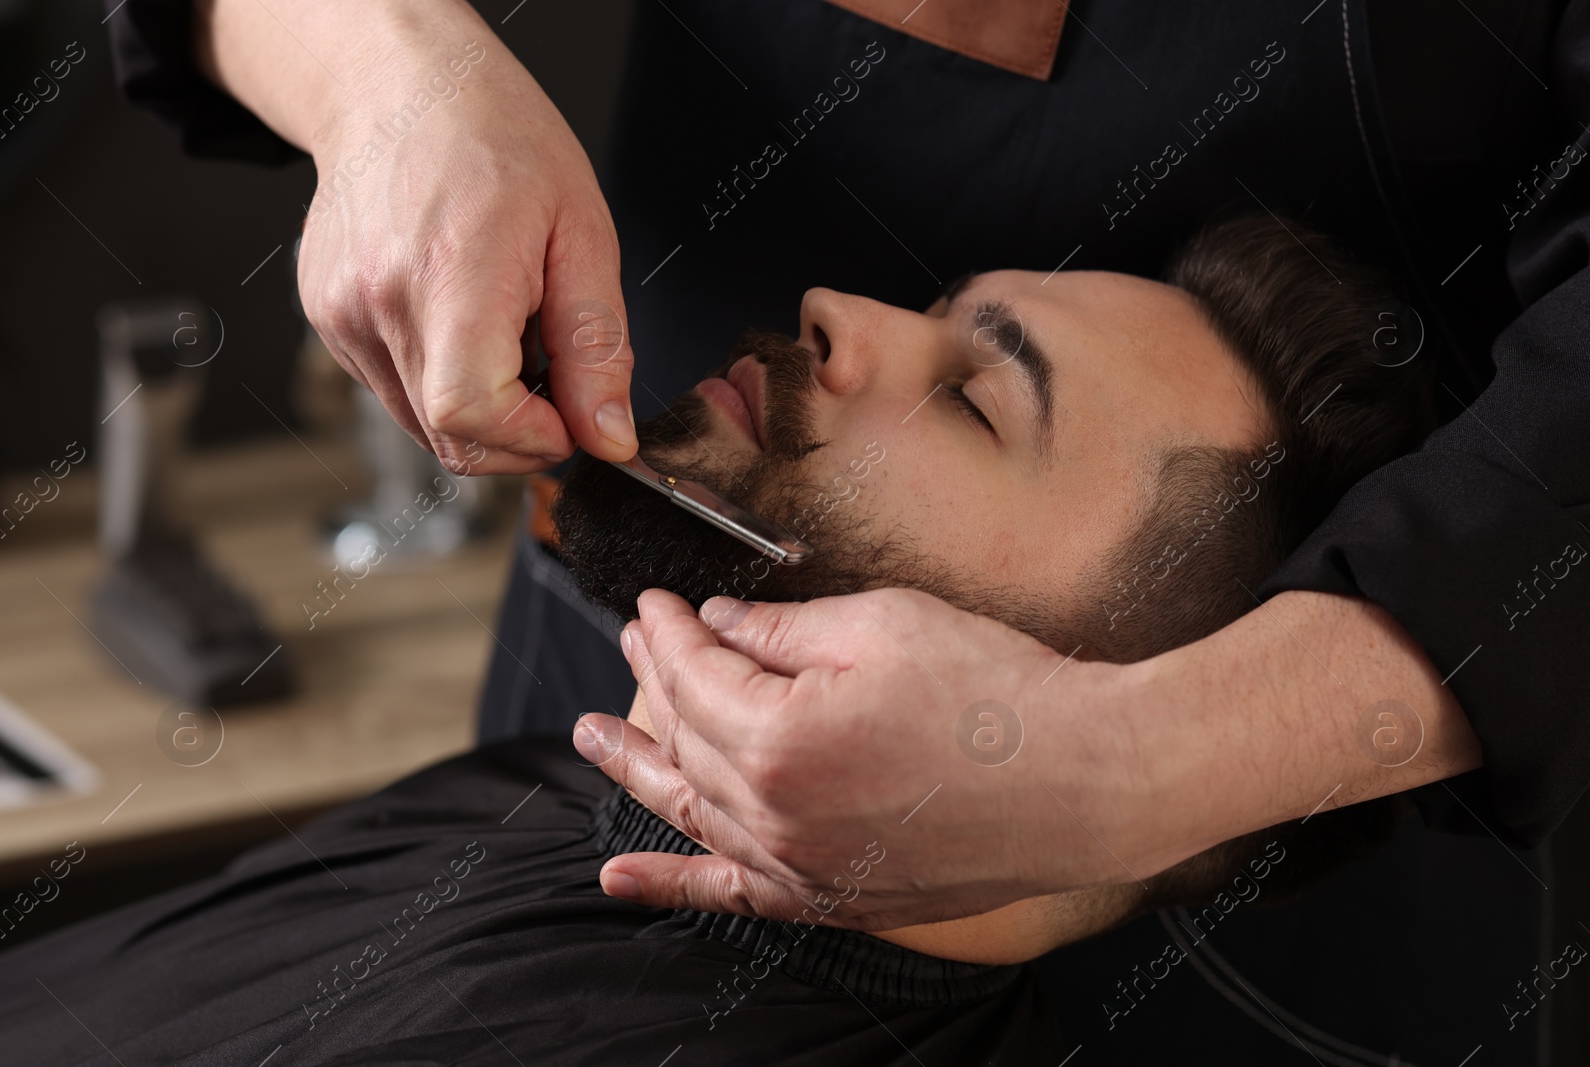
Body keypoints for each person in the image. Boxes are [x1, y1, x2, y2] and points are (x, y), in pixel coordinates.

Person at [108, 0, 1590, 1058]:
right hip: (613, 662)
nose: (833, 299)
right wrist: (385, 70)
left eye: (976, 396)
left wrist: (1147, 759)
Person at [0, 217, 1417, 1065]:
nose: (838, 311)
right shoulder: (551, 789)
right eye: (935, 321)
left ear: (1088, 706)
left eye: (980, 400)